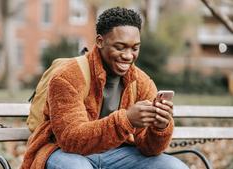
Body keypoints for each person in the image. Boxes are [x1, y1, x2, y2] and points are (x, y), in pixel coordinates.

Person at [21, 7, 189, 169]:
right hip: (63, 152)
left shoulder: (141, 81)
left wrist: (160, 127)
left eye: (135, 48)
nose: (128, 55)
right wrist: (126, 120)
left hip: (118, 155)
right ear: (100, 41)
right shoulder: (68, 76)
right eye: (120, 47)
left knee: (174, 166)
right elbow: (70, 140)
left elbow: (149, 149)